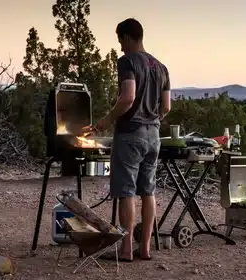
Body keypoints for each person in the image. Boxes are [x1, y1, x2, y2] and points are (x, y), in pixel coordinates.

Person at [87, 18, 171, 262]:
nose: (120, 47)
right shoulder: (161, 67)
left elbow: (127, 97)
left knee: (126, 191)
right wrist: (151, 118)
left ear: (126, 37)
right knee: (148, 191)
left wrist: (107, 119)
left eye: (120, 41)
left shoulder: (127, 62)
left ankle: (125, 250)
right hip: (154, 134)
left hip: (131, 133)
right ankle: (144, 249)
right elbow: (166, 107)